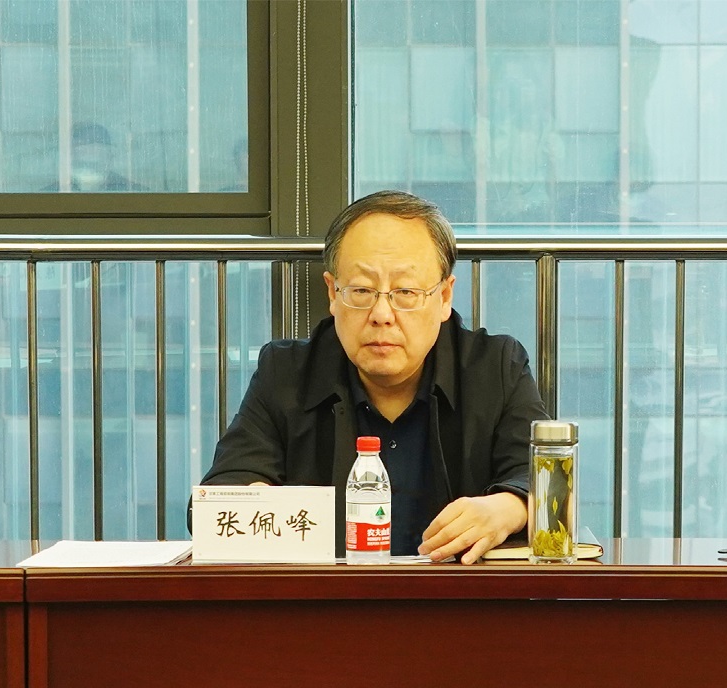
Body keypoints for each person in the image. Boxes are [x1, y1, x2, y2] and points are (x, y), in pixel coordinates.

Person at [192, 190, 548, 564]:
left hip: (459, 595)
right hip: (326, 596)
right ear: (333, 293)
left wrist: (509, 507)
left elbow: (542, 479)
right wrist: (253, 504)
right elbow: (217, 499)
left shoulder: (495, 368)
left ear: (444, 297)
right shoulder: (286, 373)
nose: (381, 314)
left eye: (405, 292)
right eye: (361, 290)